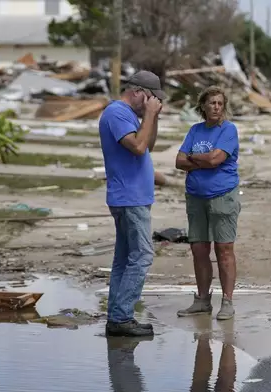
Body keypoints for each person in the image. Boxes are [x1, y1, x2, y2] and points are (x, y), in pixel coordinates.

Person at [99, 70, 165, 337]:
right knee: (142, 256)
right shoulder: (116, 113)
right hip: (129, 198)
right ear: (137, 92)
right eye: (149, 98)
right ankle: (122, 317)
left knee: (125, 260)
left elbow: (148, 144)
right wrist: (148, 115)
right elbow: (137, 147)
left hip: (135, 196)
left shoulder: (130, 116)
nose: (150, 104)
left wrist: (154, 116)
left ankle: (118, 316)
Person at [174, 85, 241, 321]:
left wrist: (194, 158)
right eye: (212, 103)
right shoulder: (195, 130)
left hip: (222, 195)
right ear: (202, 106)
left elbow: (215, 159)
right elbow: (178, 161)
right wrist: (200, 160)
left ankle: (227, 301)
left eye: (220, 103)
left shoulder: (228, 130)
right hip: (196, 197)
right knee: (199, 249)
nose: (216, 107)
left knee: (224, 249)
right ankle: (202, 300)